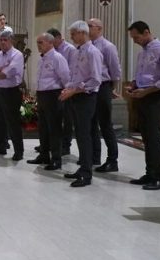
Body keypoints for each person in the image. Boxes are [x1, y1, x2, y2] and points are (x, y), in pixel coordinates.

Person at [127, 21, 160, 190]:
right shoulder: (142, 53)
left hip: (154, 96)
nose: (134, 41)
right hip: (142, 95)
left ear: (147, 32)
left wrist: (146, 91)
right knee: (146, 137)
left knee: (154, 137)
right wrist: (134, 85)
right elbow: (142, 73)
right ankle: (150, 173)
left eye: (136, 37)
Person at [58, 20, 103, 187]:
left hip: (86, 98)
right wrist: (68, 88)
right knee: (80, 134)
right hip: (76, 96)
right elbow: (75, 76)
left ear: (83, 33)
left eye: (73, 33)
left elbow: (95, 80)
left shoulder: (93, 52)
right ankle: (83, 167)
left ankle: (86, 173)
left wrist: (74, 91)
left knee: (85, 135)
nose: (71, 37)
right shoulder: (77, 52)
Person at [27, 33, 70, 170]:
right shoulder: (42, 59)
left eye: (41, 42)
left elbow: (65, 78)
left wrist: (64, 94)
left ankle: (56, 159)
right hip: (42, 95)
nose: (38, 45)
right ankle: (44, 155)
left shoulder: (58, 58)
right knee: (43, 127)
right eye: (37, 42)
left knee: (54, 128)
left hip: (53, 95)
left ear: (50, 43)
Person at [0, 31, 24, 161]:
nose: (2, 42)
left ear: (11, 40)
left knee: (13, 122)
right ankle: (1, 145)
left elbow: (8, 73)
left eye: (5, 40)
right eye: (0, 40)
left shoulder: (17, 55)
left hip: (10, 92)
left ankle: (18, 150)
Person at [88, 18, 122, 172]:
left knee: (105, 124)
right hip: (90, 88)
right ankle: (94, 156)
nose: (87, 29)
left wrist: (111, 89)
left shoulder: (108, 46)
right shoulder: (87, 46)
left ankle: (112, 160)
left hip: (103, 86)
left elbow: (115, 71)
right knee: (91, 123)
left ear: (99, 28)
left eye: (90, 26)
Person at [47, 27, 76, 155]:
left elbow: (72, 70)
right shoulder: (52, 50)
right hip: (55, 89)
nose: (51, 44)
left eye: (53, 41)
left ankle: (66, 145)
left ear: (58, 37)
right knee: (55, 117)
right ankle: (53, 144)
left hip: (67, 87)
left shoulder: (70, 49)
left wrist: (68, 87)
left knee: (67, 118)